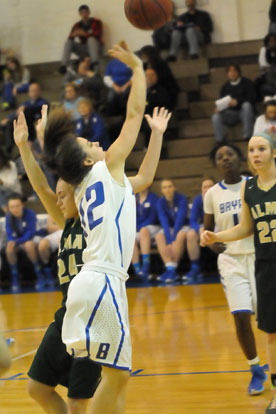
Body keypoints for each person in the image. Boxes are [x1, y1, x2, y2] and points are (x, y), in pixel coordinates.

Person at [42, 42, 171, 414]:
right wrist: (135, 68)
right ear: (87, 158)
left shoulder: (88, 185)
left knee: (118, 376)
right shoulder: (105, 169)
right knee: (116, 376)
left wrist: (158, 133)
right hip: (101, 280)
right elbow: (132, 116)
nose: (98, 141)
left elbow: (144, 176)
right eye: (89, 143)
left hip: (94, 283)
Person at [13, 106, 102, 413]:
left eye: (63, 195)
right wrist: (25, 146)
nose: (58, 200)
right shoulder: (67, 222)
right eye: (58, 195)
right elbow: (39, 186)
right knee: (37, 387)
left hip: (93, 318)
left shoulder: (96, 221)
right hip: (65, 315)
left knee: (79, 403)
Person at [202, 142, 267, 396]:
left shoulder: (254, 183)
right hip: (231, 261)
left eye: (230, 154)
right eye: (219, 156)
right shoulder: (211, 194)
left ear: (241, 159)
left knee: (268, 317)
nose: (225, 159)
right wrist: (211, 243)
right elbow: (207, 228)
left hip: (260, 257)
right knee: (241, 316)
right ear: (216, 164)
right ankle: (255, 369)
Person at [5, 195, 45, 292]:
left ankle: (39, 274)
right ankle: (15, 276)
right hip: (18, 241)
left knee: (28, 245)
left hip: (34, 237)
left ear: (22, 205)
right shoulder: (8, 217)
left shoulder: (30, 214)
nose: (15, 209)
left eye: (17, 206)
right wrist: (11, 240)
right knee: (9, 248)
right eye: (12, 207)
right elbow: (9, 232)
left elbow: (30, 233)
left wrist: (17, 241)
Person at [212, 63, 256, 142]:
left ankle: (247, 135)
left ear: (238, 72)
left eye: (234, 71)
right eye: (229, 71)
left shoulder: (247, 83)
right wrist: (219, 108)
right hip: (231, 113)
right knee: (215, 116)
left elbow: (252, 98)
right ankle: (221, 140)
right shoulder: (225, 87)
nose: (232, 73)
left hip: (245, 112)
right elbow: (222, 101)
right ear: (227, 74)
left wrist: (237, 102)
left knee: (247, 105)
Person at [155, 179, 188, 284]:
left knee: (180, 235)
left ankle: (173, 270)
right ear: (161, 190)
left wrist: (173, 240)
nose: (167, 189)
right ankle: (169, 268)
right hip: (169, 227)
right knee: (159, 236)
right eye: (165, 187)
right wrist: (169, 241)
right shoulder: (160, 202)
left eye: (170, 186)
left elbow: (180, 220)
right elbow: (164, 221)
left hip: (182, 226)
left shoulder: (182, 199)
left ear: (174, 188)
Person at [1, 82, 49, 153]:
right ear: (29, 93)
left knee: (21, 115)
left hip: (32, 123)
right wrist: (8, 118)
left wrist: (25, 107)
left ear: (40, 91)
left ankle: (10, 147)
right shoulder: (26, 103)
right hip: (21, 123)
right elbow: (16, 112)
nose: (34, 93)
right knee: (10, 122)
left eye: (36, 90)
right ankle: (9, 146)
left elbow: (39, 107)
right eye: (32, 91)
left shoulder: (43, 102)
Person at [185, 177, 215, 283]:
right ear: (201, 189)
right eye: (205, 187)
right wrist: (200, 228)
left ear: (215, 188)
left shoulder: (220, 197)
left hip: (218, 226)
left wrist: (208, 228)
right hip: (204, 227)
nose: (207, 189)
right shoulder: (198, 200)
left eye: (210, 186)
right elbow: (192, 220)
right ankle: (195, 268)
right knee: (191, 234)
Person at [59, 4, 103, 74]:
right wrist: (74, 34)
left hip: (96, 48)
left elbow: (98, 35)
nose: (84, 14)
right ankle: (63, 66)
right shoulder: (77, 25)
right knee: (68, 42)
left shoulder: (96, 22)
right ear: (79, 14)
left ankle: (94, 63)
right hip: (84, 49)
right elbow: (70, 38)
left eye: (85, 12)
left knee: (91, 39)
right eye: (82, 13)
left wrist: (85, 34)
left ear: (89, 13)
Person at [132, 187, 159, 282]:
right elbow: (131, 216)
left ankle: (146, 268)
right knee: (130, 238)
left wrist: (140, 227)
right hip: (138, 228)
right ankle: (138, 271)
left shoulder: (153, 198)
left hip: (152, 227)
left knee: (144, 230)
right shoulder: (133, 198)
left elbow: (153, 217)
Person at [139, 45, 179, 109]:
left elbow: (163, 79)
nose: (143, 57)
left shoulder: (160, 65)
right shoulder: (144, 66)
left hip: (164, 92)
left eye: (144, 54)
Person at [37, 215, 63, 288]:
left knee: (63, 242)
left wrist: (59, 226)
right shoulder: (53, 206)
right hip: (57, 233)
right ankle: (48, 272)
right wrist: (63, 225)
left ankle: (63, 273)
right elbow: (50, 228)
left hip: (71, 231)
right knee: (42, 245)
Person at [0, 147, 22, 215]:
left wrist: (2, 182)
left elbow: (12, 184)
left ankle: (9, 215)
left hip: (14, 192)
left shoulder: (11, 165)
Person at [258, 34, 276, 98]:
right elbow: (263, 67)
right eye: (270, 41)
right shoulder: (265, 50)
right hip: (268, 75)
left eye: (274, 41)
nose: (273, 43)